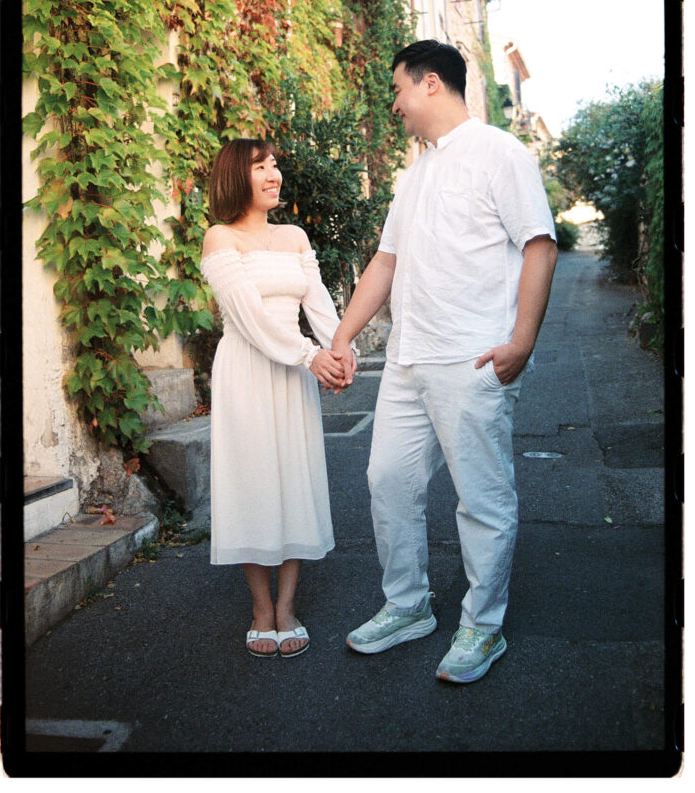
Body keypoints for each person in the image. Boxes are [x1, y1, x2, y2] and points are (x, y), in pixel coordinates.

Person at [332, 40, 558, 683]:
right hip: (408, 358)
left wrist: (521, 341)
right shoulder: (418, 172)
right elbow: (386, 261)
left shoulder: (499, 152)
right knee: (388, 482)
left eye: (398, 89)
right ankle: (408, 607)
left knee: (481, 498)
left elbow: (539, 246)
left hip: (473, 357)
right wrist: (345, 336)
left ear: (430, 83)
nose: (394, 103)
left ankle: (483, 626)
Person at [200, 138, 350, 659]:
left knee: (294, 477)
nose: (274, 174)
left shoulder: (294, 235)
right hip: (248, 370)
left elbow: (321, 304)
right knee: (255, 480)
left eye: (275, 165)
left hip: (293, 373)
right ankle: (261, 611)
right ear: (235, 177)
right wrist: (311, 357)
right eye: (261, 166)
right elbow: (248, 317)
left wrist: (340, 349)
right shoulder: (219, 238)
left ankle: (288, 607)